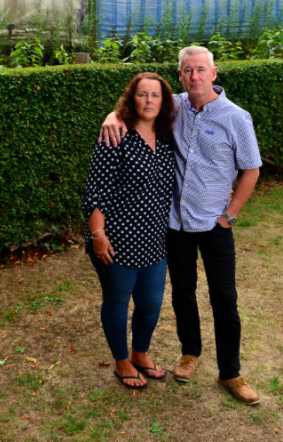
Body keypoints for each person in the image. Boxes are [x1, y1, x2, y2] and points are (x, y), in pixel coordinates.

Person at [100, 46, 262, 405]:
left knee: (225, 300)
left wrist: (230, 215)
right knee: (182, 294)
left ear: (214, 73)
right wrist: (112, 115)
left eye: (201, 70)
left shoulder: (236, 118)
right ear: (181, 76)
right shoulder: (176, 107)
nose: (195, 77)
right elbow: (141, 104)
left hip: (215, 225)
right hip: (175, 225)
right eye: (188, 71)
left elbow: (251, 169)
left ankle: (230, 373)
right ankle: (190, 353)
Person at [81, 72, 178, 389]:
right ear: (130, 99)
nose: (149, 101)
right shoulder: (115, 135)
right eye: (142, 94)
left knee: (151, 303)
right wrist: (98, 236)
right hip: (116, 240)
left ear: (163, 102)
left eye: (155, 95)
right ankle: (122, 361)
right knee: (118, 302)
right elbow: (96, 192)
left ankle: (140, 354)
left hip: (154, 240)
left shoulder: (167, 137)